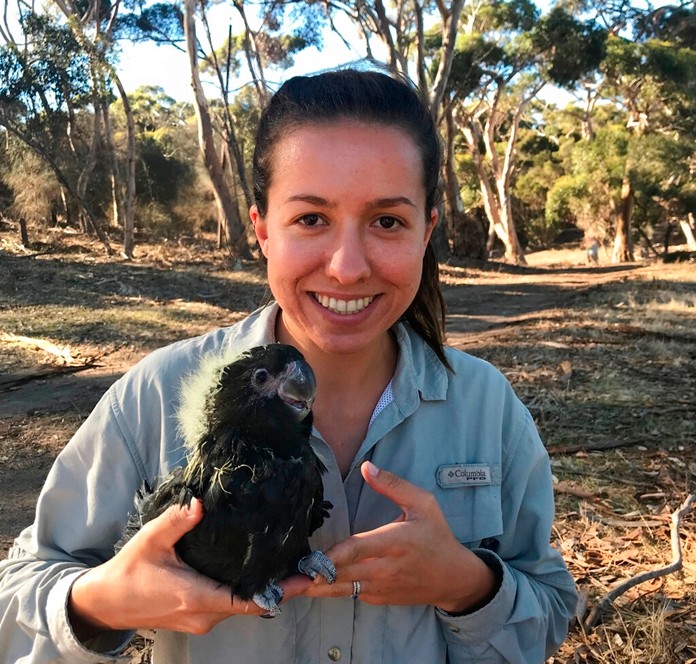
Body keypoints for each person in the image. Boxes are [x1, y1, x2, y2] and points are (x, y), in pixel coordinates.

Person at [0, 66, 577, 663]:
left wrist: (466, 585)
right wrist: (102, 603)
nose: (348, 267)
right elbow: (17, 598)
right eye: (310, 219)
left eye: (387, 221)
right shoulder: (154, 395)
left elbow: (550, 611)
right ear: (261, 230)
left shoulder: (488, 409)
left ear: (426, 231)